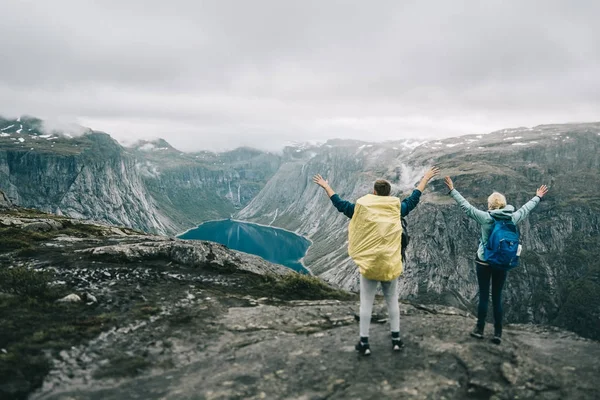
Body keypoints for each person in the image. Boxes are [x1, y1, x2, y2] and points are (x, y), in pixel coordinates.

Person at [313, 167, 439, 355]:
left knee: (366, 303)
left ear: (374, 192)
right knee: (392, 302)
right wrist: (425, 179)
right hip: (390, 263)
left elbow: (341, 204)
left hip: (370, 264)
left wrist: (326, 187)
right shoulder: (396, 208)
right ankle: (396, 341)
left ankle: (364, 344)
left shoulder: (361, 208)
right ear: (389, 193)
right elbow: (413, 199)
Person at [444, 176, 548, 344]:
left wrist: (452, 190)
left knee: (484, 296)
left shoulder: (486, 218)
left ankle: (479, 330)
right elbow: (526, 209)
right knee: (497, 297)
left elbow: (466, 207)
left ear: (490, 205)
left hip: (484, 262)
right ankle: (498, 333)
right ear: (504, 204)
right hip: (502, 263)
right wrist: (538, 196)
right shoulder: (512, 218)